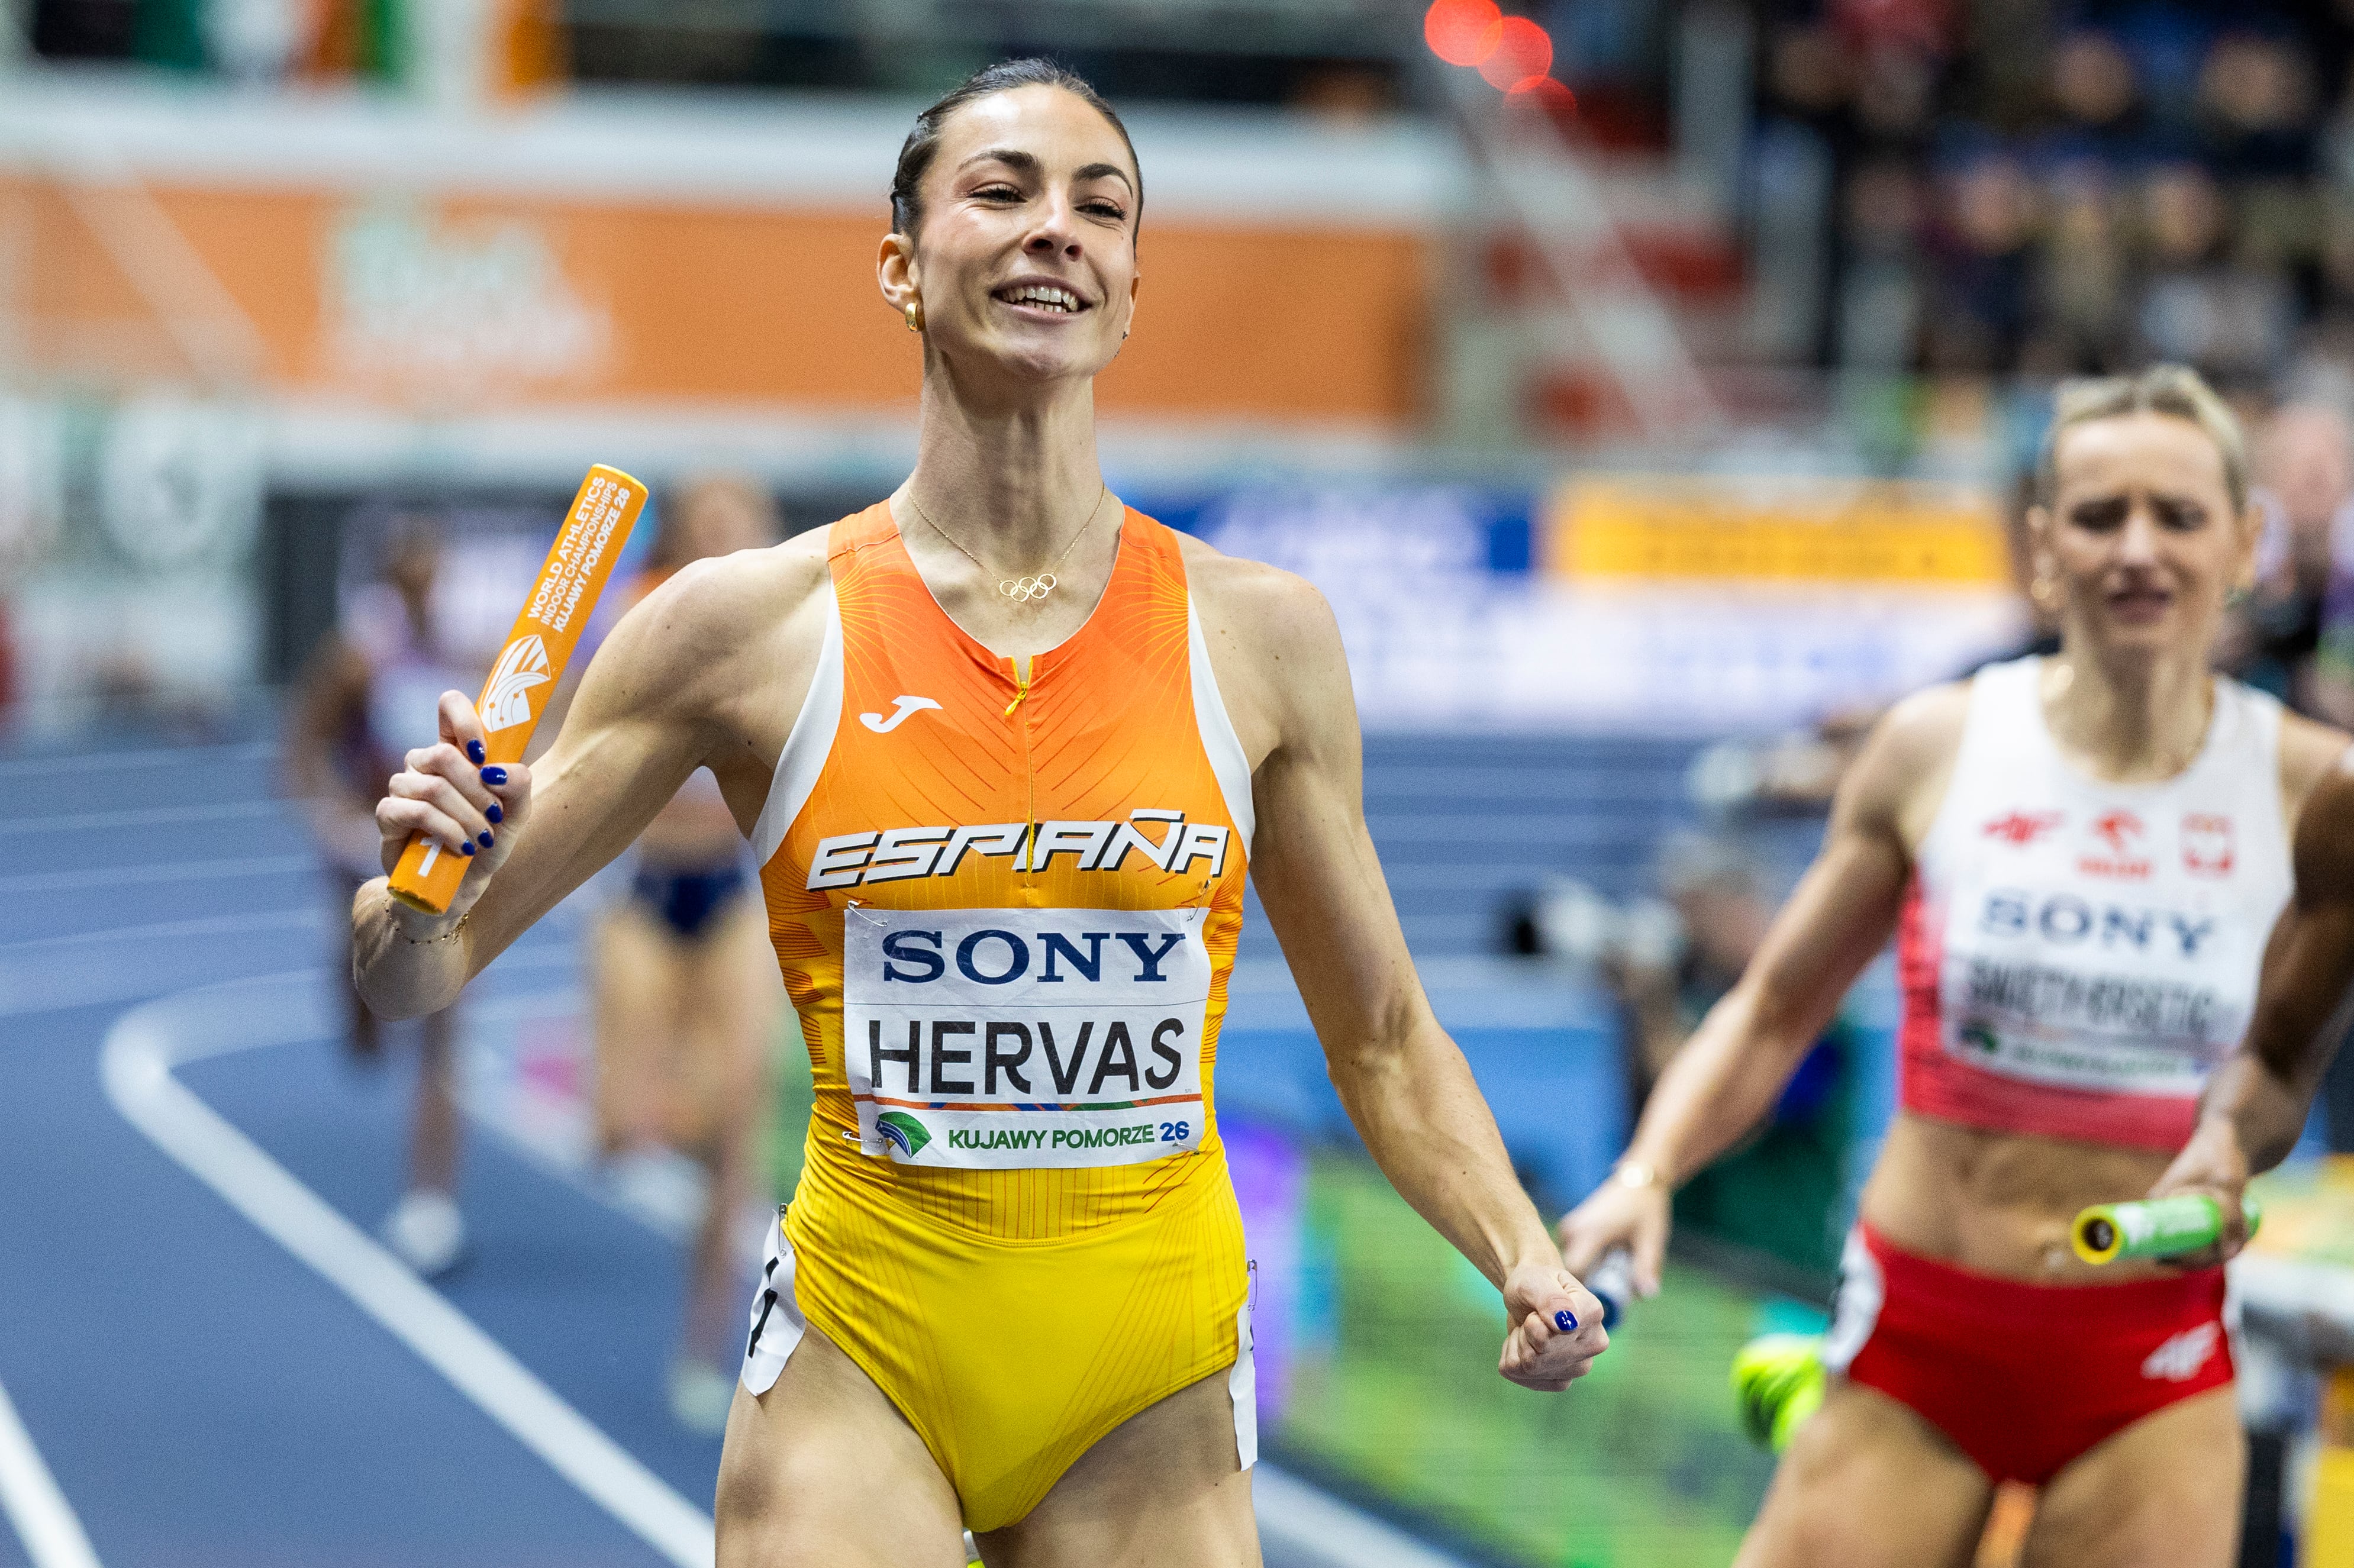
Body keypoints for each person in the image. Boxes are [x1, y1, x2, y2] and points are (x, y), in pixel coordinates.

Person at [350, 58, 1605, 1567]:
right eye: (1001, 192)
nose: (1054, 229)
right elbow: (414, 974)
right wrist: (416, 888)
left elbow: (1385, 1036)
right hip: (865, 1349)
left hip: (1148, 1371)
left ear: (1130, 289)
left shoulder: (1262, 637)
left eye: (1100, 207)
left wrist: (1522, 1251)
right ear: (899, 264)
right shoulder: (744, 629)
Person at [1557, 364, 2349, 1567]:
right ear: (2043, 549)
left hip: (2151, 1362)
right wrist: (1648, 1168)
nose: (2138, 548)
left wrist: (2232, 1140)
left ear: (2242, 542)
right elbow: (1772, 1009)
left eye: (2179, 516)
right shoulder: (1937, 747)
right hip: (1922, 1341)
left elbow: (2283, 1062)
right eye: (2099, 515)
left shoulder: (2315, 794)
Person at [589, 475, 784, 1433]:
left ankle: (701, 1352)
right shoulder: (639, 620)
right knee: (621, 1130)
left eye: (742, 523)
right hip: (645, 897)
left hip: (731, 902)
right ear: (679, 536)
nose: (726, 538)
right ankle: (654, 1100)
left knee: (737, 1133)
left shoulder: (791, 634)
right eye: (710, 523)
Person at [286, 517, 476, 1276]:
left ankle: (432, 1200)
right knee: (367, 1026)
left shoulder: (464, 655)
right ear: (395, 580)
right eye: (418, 576)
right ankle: (356, 988)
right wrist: (334, 818)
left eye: (439, 575)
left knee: (442, 1017)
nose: (432, 589)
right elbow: (302, 748)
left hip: (442, 861)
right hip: (365, 856)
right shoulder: (359, 657)